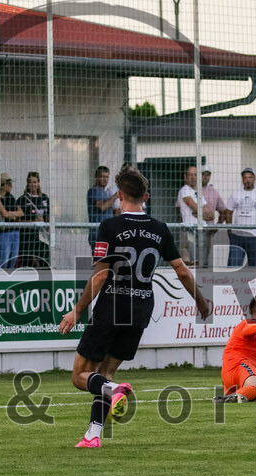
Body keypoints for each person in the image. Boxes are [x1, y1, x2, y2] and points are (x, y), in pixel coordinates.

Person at [59, 166, 211, 448]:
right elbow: (182, 271)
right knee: (104, 374)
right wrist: (200, 301)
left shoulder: (110, 226)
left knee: (80, 376)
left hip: (112, 307)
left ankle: (115, 390)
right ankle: (92, 435)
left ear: (119, 195)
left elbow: (100, 276)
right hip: (141, 309)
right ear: (146, 197)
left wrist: (77, 310)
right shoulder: (160, 229)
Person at [225, 167, 256, 268]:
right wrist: (230, 230)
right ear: (242, 179)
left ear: (254, 178)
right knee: (233, 266)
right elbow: (228, 212)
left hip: (255, 236)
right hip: (238, 236)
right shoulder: (236, 193)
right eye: (245, 177)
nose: (247, 180)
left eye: (250, 177)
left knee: (255, 268)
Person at [177, 165, 217, 267]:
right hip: (190, 229)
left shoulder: (197, 192)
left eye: (195, 175)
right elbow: (194, 206)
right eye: (190, 175)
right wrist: (201, 211)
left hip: (201, 228)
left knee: (203, 260)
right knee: (194, 261)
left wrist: (198, 213)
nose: (193, 177)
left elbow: (211, 214)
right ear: (185, 177)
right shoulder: (184, 190)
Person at [0, 173, 23, 269]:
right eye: (9, 184)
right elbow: (4, 214)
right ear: (3, 185)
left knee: (12, 262)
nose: (11, 186)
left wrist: (10, 214)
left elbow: (21, 213)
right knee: (3, 262)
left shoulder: (10, 197)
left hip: (14, 231)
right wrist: (12, 215)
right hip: (2, 233)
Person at [17, 171, 50, 268]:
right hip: (27, 238)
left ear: (38, 183)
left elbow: (48, 215)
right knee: (29, 265)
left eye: (35, 182)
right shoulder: (22, 199)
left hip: (42, 238)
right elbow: (17, 220)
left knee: (45, 263)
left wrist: (47, 227)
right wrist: (33, 222)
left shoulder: (44, 198)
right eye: (30, 182)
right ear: (27, 183)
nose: (33, 185)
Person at [87, 166, 119, 248]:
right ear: (96, 177)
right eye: (102, 177)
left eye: (107, 177)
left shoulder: (105, 193)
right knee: (100, 256)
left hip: (107, 234)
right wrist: (115, 196)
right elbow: (102, 207)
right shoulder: (93, 191)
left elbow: (108, 210)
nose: (105, 180)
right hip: (98, 234)